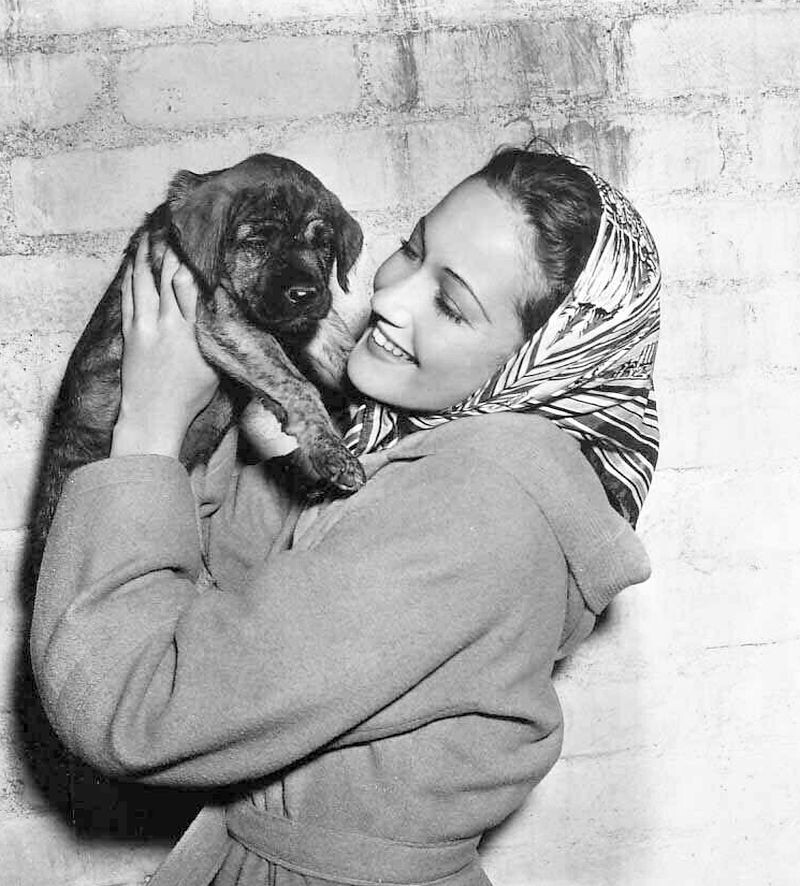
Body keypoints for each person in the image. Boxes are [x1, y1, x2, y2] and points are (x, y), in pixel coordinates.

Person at [30, 148, 660, 886]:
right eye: (413, 250)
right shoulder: (419, 459)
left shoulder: (471, 513)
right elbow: (214, 573)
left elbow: (132, 708)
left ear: (544, 360)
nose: (389, 299)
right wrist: (214, 389)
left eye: (451, 304)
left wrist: (148, 423)